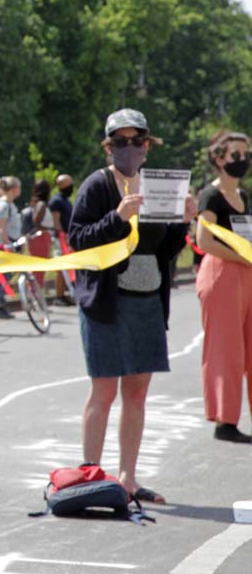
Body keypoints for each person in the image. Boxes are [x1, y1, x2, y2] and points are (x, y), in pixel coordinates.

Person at [69, 108, 195, 503]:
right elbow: (78, 239)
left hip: (147, 302)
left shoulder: (160, 187)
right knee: (103, 391)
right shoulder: (97, 185)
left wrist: (182, 222)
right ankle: (91, 474)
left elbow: (167, 250)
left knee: (137, 393)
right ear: (108, 147)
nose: (129, 148)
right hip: (106, 302)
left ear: (147, 145)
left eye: (136, 141)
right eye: (119, 142)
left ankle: (128, 479)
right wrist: (117, 217)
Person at [194, 130, 252, 443]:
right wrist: (242, 258)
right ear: (219, 159)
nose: (243, 160)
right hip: (221, 274)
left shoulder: (244, 196)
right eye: (236, 155)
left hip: (247, 272)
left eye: (246, 154)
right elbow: (204, 241)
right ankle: (224, 420)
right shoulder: (210, 196)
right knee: (226, 350)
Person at [0, 176, 21, 317]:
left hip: (9, 242)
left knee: (6, 275)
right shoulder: (4, 205)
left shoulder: (9, 204)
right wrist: (8, 245)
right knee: (2, 275)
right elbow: (1, 229)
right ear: (13, 189)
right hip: (3, 244)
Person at [49, 173, 76, 304]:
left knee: (68, 267)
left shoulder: (66, 201)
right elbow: (56, 221)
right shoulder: (56, 201)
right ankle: (59, 296)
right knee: (61, 268)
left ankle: (65, 293)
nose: (71, 187)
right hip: (60, 239)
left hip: (67, 237)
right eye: (69, 184)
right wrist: (63, 236)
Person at [26, 179, 55, 285]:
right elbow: (36, 220)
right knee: (38, 268)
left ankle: (35, 293)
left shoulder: (38, 203)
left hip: (41, 237)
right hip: (41, 238)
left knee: (38, 269)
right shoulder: (42, 204)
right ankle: (35, 293)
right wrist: (47, 228)